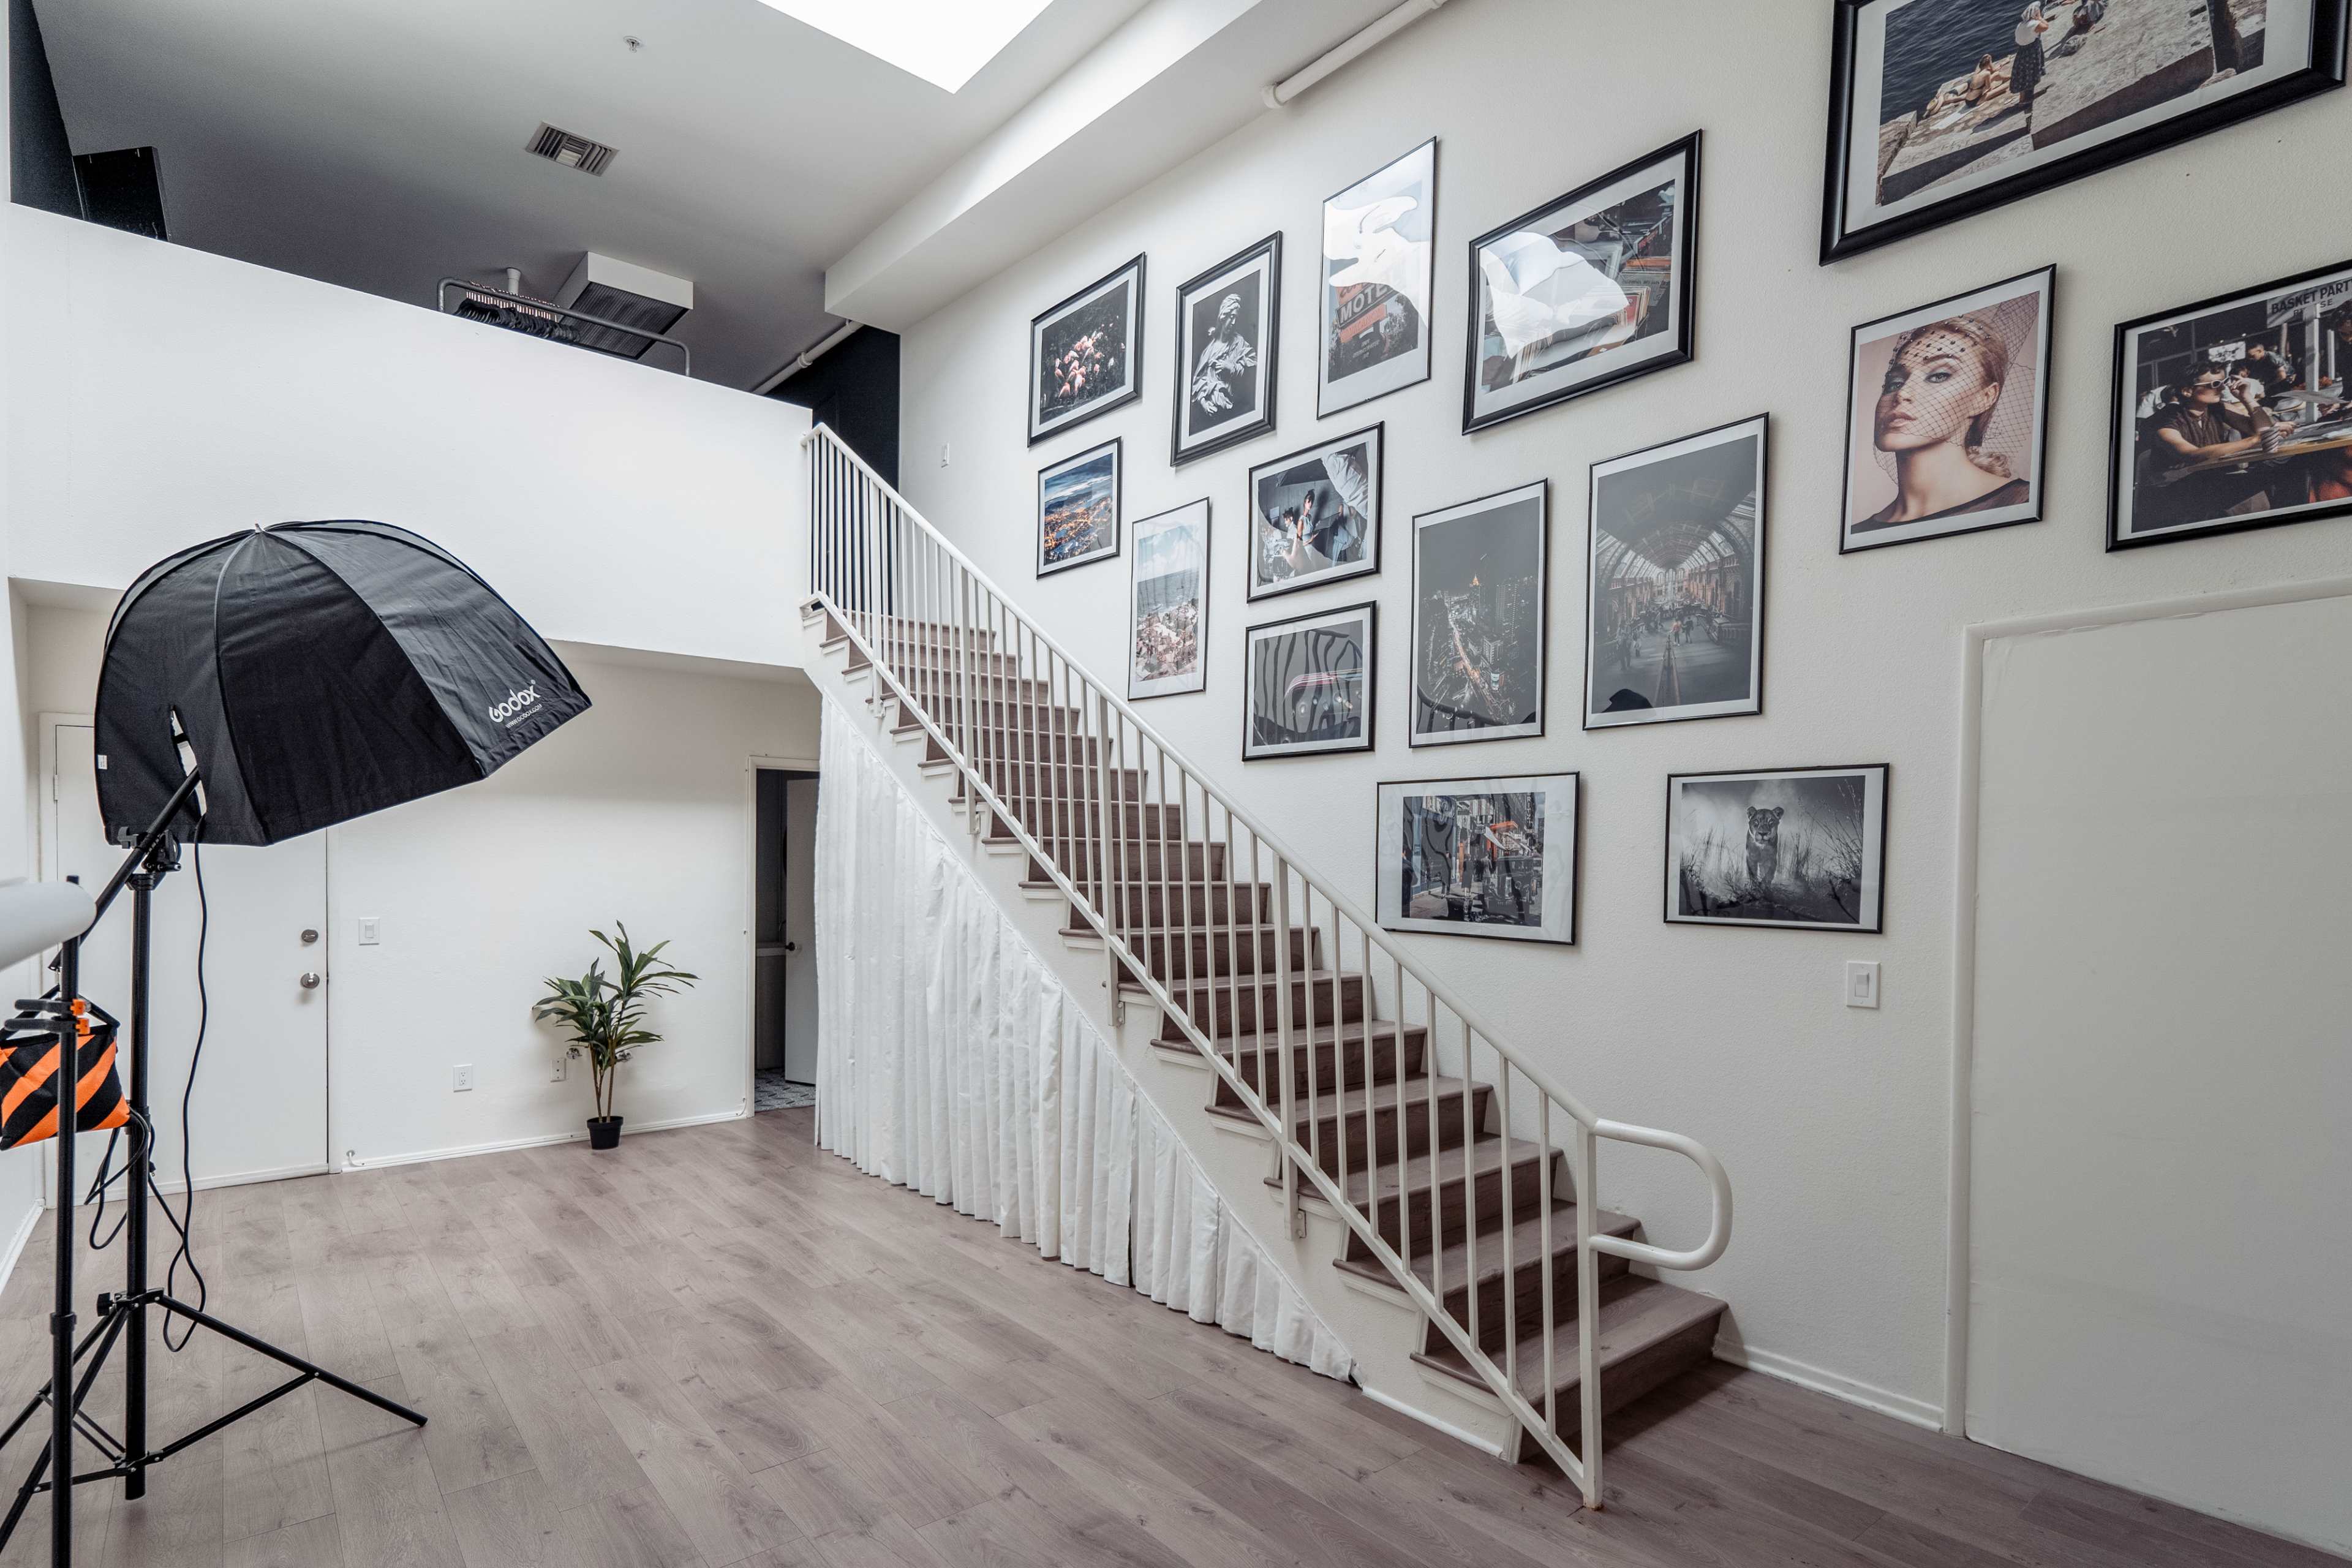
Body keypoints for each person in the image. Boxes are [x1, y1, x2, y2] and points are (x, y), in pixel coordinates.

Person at [1857, 312, 2031, 530]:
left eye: (1939, 376)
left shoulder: (2023, 504)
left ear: (1984, 398)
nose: (1903, 393)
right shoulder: (1858, 533)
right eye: (1895, 382)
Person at [2147, 363, 2292, 521]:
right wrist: (2255, 440)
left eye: (2224, 382)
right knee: (2248, 489)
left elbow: (2262, 429)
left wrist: (2246, 397)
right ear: (2187, 391)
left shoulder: (2217, 408)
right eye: (2215, 384)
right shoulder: (2165, 419)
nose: (2222, 389)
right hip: (2176, 488)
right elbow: (2191, 455)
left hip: (2208, 477)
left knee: (2279, 472)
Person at [2011, 4, 2053, 120]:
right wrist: (2039, 18)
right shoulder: (2034, 24)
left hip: (2022, 51)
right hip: (2032, 49)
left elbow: (2017, 39)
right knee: (2031, 72)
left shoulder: (2020, 25)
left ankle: (2022, 99)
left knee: (2022, 73)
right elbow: (2046, 27)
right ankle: (2028, 98)